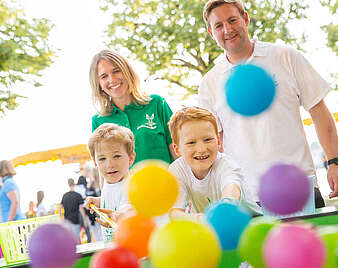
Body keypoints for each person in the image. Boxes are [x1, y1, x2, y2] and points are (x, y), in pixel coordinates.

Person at [199, 0, 338, 207]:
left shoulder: (286, 57)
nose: (227, 29)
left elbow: (319, 112)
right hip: (248, 197)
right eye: (218, 25)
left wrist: (334, 162)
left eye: (232, 20)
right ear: (212, 32)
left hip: (299, 187)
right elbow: (215, 143)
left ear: (245, 19)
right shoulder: (209, 84)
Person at [167, 107, 260, 221]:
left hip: (250, 220)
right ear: (177, 149)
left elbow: (231, 188)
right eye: (191, 142)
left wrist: (224, 209)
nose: (201, 149)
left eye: (207, 140)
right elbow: (175, 212)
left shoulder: (225, 164)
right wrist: (199, 219)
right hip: (209, 224)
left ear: (218, 141)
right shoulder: (176, 170)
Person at [89, 50, 176, 167]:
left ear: (127, 72)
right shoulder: (98, 121)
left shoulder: (156, 104)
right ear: (98, 83)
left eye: (116, 71)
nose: (112, 79)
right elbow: (105, 173)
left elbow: (178, 153)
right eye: (104, 76)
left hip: (165, 184)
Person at [85, 123, 136, 241]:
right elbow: (114, 198)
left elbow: (131, 207)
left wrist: (120, 216)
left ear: (131, 158)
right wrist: (99, 201)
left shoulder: (132, 186)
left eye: (117, 156)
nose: (110, 165)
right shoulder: (108, 183)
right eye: (102, 159)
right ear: (95, 163)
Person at [60, 178, 88, 243]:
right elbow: (81, 209)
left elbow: (60, 208)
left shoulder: (65, 196)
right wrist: (84, 220)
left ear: (68, 184)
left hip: (67, 221)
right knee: (77, 239)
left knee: (69, 240)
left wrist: (61, 219)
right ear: (74, 184)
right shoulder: (78, 195)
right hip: (76, 221)